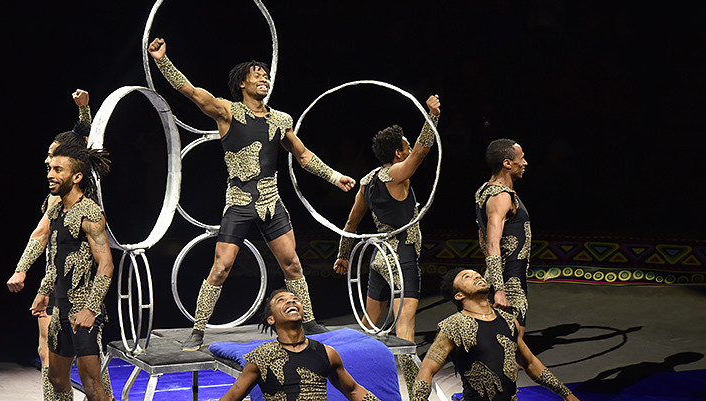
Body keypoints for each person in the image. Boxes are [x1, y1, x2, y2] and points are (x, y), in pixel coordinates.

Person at [148, 37, 356, 350]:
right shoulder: (227, 112)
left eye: (266, 75)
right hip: (239, 202)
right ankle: (198, 329)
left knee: (293, 265)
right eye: (257, 74)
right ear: (242, 83)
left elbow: (303, 155)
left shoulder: (280, 120)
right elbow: (190, 91)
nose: (264, 78)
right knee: (221, 268)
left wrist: (335, 176)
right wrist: (162, 60)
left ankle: (310, 321)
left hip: (271, 201)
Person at [6, 89, 116, 400]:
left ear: (75, 172)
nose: (48, 165)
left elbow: (105, 263)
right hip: (56, 285)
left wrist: (84, 111)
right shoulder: (55, 205)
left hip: (81, 295)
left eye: (55, 162)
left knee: (91, 375)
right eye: (49, 163)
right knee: (51, 364)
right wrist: (41, 286)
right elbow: (46, 242)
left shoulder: (86, 208)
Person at [332, 95, 441, 394]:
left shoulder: (367, 182)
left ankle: (351, 385)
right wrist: (432, 117)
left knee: (369, 326)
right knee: (404, 329)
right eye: (405, 146)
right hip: (400, 257)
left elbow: (351, 224)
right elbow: (421, 153)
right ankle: (416, 395)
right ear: (397, 153)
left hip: (379, 258)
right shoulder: (395, 174)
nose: (409, 149)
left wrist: (343, 255)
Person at [411, 268, 579, 401]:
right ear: (459, 295)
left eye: (477, 274)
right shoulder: (453, 325)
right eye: (467, 277)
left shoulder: (509, 321)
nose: (477, 276)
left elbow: (529, 363)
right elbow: (427, 370)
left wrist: (566, 394)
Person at [29, 142, 114, 401]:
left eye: (58, 170)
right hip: (60, 310)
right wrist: (44, 292)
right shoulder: (56, 211)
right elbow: (56, 258)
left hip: (82, 310)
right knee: (57, 379)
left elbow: (106, 265)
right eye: (50, 169)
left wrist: (91, 308)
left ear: (76, 177)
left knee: (92, 384)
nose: (50, 175)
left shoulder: (90, 213)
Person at [218, 288, 381, 401]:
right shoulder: (261, 357)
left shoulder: (327, 353)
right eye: (281, 300)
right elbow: (232, 397)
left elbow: (353, 390)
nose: (291, 301)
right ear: (271, 319)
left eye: (295, 300)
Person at [474, 139, 530, 331]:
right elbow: (491, 243)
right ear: (507, 163)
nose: (525, 163)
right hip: (508, 283)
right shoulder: (501, 196)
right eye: (521, 158)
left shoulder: (485, 190)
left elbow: (481, 238)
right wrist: (499, 289)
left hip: (505, 278)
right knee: (511, 341)